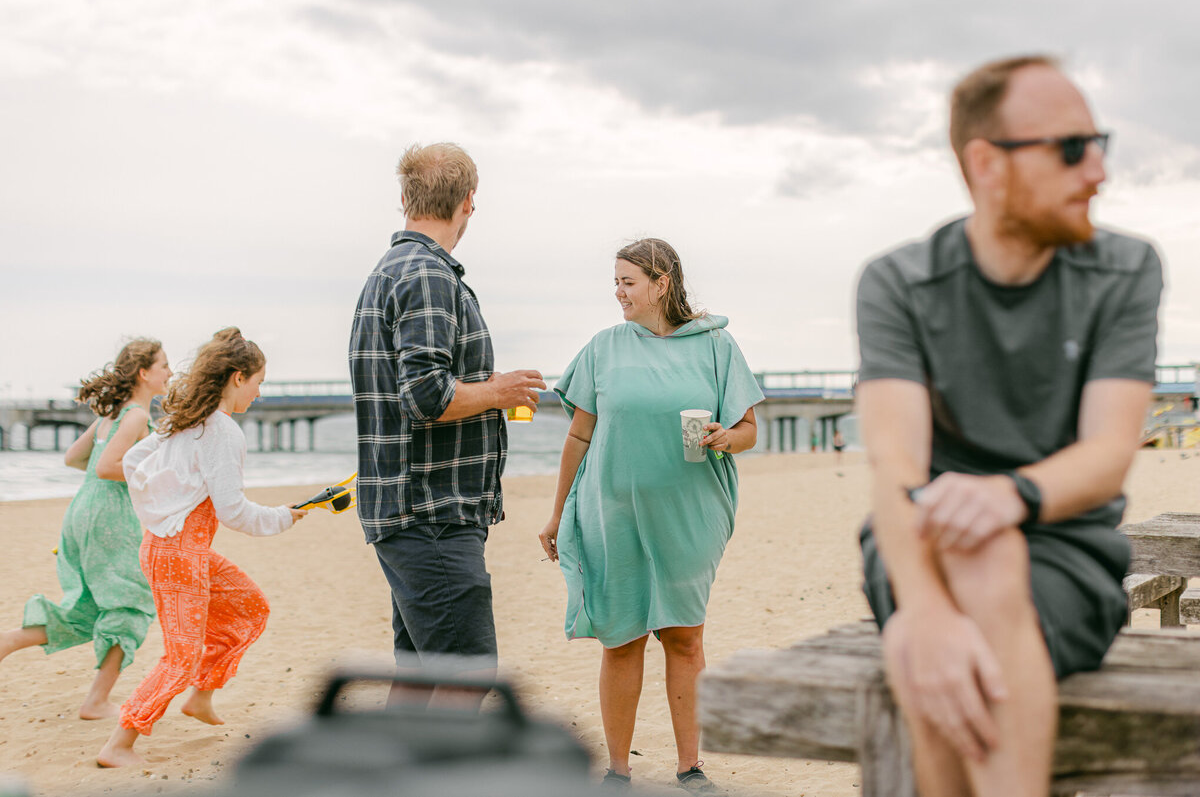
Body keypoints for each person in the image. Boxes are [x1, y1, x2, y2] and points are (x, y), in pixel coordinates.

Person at [854, 55, 1163, 797]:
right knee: (947, 590)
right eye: (1070, 148)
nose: (1097, 171)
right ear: (987, 163)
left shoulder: (1123, 269)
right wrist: (925, 608)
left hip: (1065, 546)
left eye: (1100, 144)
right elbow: (895, 467)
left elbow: (1108, 454)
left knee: (929, 620)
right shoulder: (900, 282)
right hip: (920, 544)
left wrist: (1009, 496)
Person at [539, 238, 764, 793]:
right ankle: (618, 772)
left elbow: (749, 431)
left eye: (628, 282)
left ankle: (690, 767)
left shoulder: (717, 346)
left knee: (685, 638)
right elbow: (580, 432)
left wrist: (724, 437)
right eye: (615, 281)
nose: (618, 292)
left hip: (689, 512)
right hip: (610, 511)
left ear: (661, 283)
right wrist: (557, 511)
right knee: (621, 639)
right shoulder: (604, 347)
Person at [348, 142, 545, 696]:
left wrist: (489, 390)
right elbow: (428, 396)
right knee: (468, 678)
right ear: (468, 202)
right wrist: (499, 389)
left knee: (417, 682)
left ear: (404, 197)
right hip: (431, 512)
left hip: (413, 510)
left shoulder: (392, 271)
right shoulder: (428, 275)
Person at [97, 328, 307, 768]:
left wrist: (160, 505)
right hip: (178, 556)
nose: (260, 392)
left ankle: (201, 698)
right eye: (258, 381)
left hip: (177, 549)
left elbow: (135, 463)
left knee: (250, 608)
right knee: (181, 655)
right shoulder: (222, 431)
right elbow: (233, 511)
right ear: (236, 377)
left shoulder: (187, 420)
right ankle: (118, 745)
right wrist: (283, 517)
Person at [0, 339, 170, 719]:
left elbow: (74, 458)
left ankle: (9, 640)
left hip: (83, 509)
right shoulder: (137, 417)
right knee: (131, 603)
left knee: (91, 607)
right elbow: (106, 467)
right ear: (144, 373)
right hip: (109, 515)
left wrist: (108, 482)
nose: (170, 373)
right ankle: (96, 702)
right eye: (164, 365)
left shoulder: (111, 416)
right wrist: (147, 479)